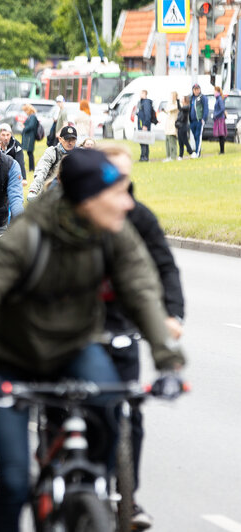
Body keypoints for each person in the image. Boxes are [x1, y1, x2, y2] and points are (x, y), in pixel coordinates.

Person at [0, 148, 186, 532]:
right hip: (11, 359)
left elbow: (142, 289)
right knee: (13, 483)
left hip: (76, 346)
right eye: (119, 194)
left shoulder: (115, 232)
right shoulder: (29, 236)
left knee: (112, 405)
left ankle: (93, 491)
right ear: (88, 200)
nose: (129, 203)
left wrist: (169, 362)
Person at [96, 142, 185, 530]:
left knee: (130, 409)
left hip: (120, 327)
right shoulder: (70, 214)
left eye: (124, 175)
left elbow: (164, 266)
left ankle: (126, 498)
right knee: (65, 401)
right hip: (69, 327)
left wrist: (172, 314)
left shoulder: (139, 217)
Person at [27, 125, 78, 200]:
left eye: (73, 140)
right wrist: (33, 190)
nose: (70, 142)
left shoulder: (80, 154)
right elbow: (42, 170)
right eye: (67, 139)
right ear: (60, 139)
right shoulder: (52, 152)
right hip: (51, 191)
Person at [189, 84, 208, 158]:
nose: (196, 91)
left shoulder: (203, 98)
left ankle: (197, 152)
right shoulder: (191, 98)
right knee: (195, 137)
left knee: (198, 136)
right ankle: (197, 151)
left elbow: (205, 109)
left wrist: (203, 118)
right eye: (195, 89)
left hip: (199, 120)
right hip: (192, 121)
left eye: (197, 89)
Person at [20, 104, 39, 173]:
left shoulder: (32, 116)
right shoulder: (30, 116)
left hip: (30, 137)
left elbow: (31, 126)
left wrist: (24, 128)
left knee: (30, 152)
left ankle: (32, 169)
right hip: (28, 136)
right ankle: (31, 168)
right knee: (29, 152)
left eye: (25, 110)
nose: (25, 112)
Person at [136, 90, 154, 162]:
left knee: (144, 141)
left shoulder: (146, 102)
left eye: (141, 93)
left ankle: (145, 157)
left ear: (145, 94)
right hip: (141, 124)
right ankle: (143, 156)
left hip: (144, 125)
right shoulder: (141, 102)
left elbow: (147, 114)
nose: (140, 94)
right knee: (142, 141)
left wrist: (145, 125)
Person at [163, 92, 180, 163]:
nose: (172, 97)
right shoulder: (169, 103)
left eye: (173, 96)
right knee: (167, 141)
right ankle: (168, 156)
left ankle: (173, 156)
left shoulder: (177, 104)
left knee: (172, 141)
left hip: (173, 125)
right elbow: (167, 109)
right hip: (168, 125)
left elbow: (173, 108)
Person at [175, 95, 193, 159]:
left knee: (185, 141)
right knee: (180, 142)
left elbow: (179, 108)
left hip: (183, 126)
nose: (182, 100)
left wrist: (177, 101)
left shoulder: (187, 107)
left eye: (183, 99)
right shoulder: (183, 108)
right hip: (180, 127)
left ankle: (191, 152)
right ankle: (180, 155)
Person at [213, 86, 227, 155]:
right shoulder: (218, 99)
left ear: (217, 91)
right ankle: (221, 150)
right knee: (220, 135)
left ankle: (222, 151)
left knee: (221, 135)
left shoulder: (219, 99)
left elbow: (222, 109)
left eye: (214, 91)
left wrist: (216, 115)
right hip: (219, 118)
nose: (213, 92)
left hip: (220, 119)